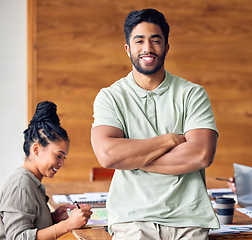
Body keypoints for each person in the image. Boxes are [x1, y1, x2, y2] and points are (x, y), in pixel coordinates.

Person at [91, 8, 219, 239]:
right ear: (128, 49)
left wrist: (133, 159)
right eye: (139, 41)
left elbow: (201, 154)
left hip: (188, 218)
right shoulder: (110, 97)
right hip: (132, 219)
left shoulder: (192, 94)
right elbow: (109, 155)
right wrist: (169, 140)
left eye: (155, 40)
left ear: (166, 47)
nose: (147, 48)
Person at [0, 101, 92, 239]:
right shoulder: (21, 185)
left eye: (64, 158)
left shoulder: (32, 181)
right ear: (36, 149)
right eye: (58, 156)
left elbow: (30, 225)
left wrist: (53, 218)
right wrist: (67, 225)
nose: (61, 163)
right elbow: (17, 237)